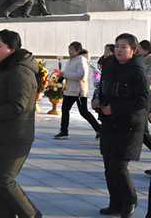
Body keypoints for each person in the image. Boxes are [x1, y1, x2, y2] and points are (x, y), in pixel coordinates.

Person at [0, 29, 42, 218]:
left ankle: (32, 215)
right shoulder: (4, 68)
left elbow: (18, 105)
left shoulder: (20, 70)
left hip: (16, 135)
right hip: (0, 133)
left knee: (4, 180)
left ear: (12, 49)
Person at [92, 33, 149, 218]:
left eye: (124, 46)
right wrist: (97, 101)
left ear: (133, 51)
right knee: (109, 166)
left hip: (129, 126)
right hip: (110, 124)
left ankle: (130, 200)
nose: (119, 49)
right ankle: (115, 204)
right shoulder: (110, 68)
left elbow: (143, 100)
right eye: (117, 45)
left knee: (118, 166)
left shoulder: (137, 72)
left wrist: (115, 108)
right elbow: (101, 90)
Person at [54, 42, 101, 139]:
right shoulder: (71, 60)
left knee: (83, 112)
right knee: (65, 110)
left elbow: (81, 75)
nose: (70, 51)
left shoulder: (81, 60)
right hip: (70, 90)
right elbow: (68, 73)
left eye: (72, 49)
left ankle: (99, 129)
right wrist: (61, 78)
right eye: (69, 49)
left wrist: (65, 74)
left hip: (78, 91)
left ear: (78, 51)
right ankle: (63, 131)